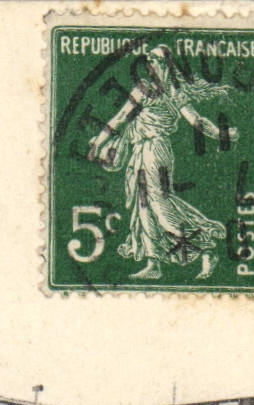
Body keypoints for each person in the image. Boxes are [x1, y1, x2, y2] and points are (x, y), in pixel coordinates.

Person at [86, 44, 234, 281]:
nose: (149, 64)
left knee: (160, 204)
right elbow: (120, 118)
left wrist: (220, 134)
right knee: (142, 205)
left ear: (165, 64)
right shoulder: (144, 88)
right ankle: (153, 262)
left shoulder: (175, 93)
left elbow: (196, 121)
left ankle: (206, 247)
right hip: (139, 149)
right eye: (149, 60)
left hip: (157, 149)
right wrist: (98, 143)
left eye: (154, 60)